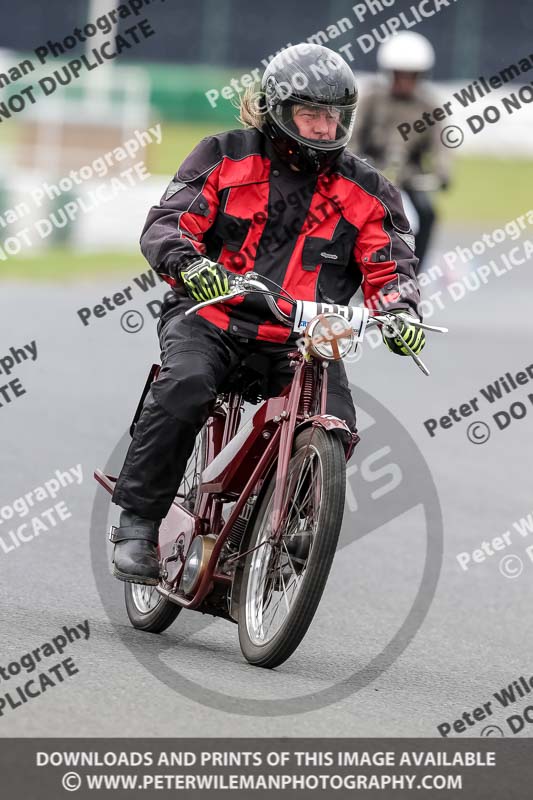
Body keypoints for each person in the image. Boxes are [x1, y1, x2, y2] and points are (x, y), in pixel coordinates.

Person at [110, 42, 426, 585]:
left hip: (303, 339)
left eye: (335, 117)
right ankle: (138, 522)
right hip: (210, 316)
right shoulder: (223, 155)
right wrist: (189, 265)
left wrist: (401, 312)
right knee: (185, 385)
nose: (325, 129)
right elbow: (167, 224)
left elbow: (392, 265)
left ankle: (289, 519)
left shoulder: (369, 190)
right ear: (277, 110)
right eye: (312, 115)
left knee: (338, 423)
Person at [350, 31, 451, 270]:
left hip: (409, 179)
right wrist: (353, 165)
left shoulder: (429, 106)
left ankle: (414, 274)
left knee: (427, 213)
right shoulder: (371, 99)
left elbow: (442, 146)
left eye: (411, 75)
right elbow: (353, 137)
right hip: (370, 173)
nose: (405, 81)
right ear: (389, 72)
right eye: (400, 74)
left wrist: (442, 172)